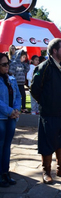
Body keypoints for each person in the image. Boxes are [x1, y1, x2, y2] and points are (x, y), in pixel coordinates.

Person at [31, 38, 61, 184]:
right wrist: (46, 102)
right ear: (54, 51)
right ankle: (46, 171)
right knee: (47, 142)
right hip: (49, 113)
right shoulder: (44, 67)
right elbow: (34, 89)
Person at [0, 53, 21, 187]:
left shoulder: (11, 79)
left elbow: (18, 96)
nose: (7, 66)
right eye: (4, 64)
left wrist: (16, 110)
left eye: (8, 63)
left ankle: (5, 172)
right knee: (0, 145)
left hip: (11, 118)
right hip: (1, 118)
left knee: (7, 146)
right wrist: (9, 111)